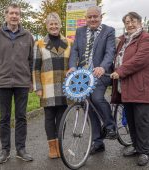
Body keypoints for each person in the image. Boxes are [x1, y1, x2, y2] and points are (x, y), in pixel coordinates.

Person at [67, 6, 116, 155]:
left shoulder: (109, 31)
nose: (93, 19)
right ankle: (97, 142)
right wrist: (72, 67)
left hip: (100, 74)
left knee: (96, 97)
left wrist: (102, 67)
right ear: (86, 18)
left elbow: (110, 51)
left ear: (101, 17)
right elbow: (75, 50)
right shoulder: (80, 31)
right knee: (87, 107)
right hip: (84, 75)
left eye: (96, 16)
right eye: (90, 17)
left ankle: (110, 125)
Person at [111, 12, 149, 166]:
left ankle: (144, 152)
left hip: (140, 86)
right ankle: (135, 146)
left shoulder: (145, 38)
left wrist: (119, 71)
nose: (130, 24)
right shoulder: (123, 40)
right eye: (127, 22)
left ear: (140, 22)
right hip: (124, 88)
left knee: (142, 121)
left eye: (133, 21)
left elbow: (140, 60)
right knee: (131, 120)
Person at [33, 12, 71, 159]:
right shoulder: (39, 44)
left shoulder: (69, 43)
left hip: (64, 87)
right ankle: (52, 148)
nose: (54, 26)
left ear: (60, 25)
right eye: (51, 24)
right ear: (47, 26)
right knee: (49, 118)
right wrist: (38, 87)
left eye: (56, 24)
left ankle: (60, 146)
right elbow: (35, 67)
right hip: (47, 87)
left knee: (62, 117)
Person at [0, 3, 34, 164]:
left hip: (22, 82)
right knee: (4, 118)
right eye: (11, 13)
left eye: (17, 14)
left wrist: (32, 81)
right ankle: (4, 150)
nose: (14, 16)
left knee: (21, 117)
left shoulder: (28, 36)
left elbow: (32, 60)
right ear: (5, 15)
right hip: (2, 82)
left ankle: (21, 149)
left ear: (20, 16)